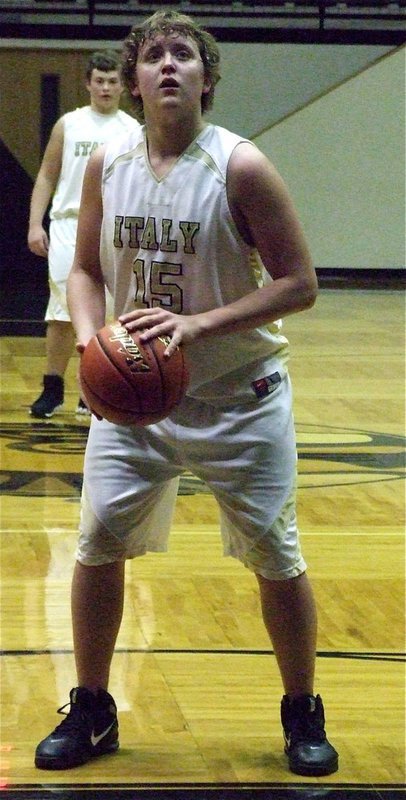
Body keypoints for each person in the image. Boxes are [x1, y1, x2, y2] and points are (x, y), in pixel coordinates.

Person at [34, 10, 339, 777]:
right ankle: (92, 708)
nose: (168, 64)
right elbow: (84, 270)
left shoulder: (241, 166)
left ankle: (301, 708)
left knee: (277, 556)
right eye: (154, 56)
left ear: (207, 79)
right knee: (96, 544)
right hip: (137, 399)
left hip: (239, 394)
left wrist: (198, 325)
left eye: (184, 55)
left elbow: (300, 284)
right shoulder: (107, 163)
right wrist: (92, 342)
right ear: (134, 82)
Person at [27, 50, 140, 418]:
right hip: (67, 223)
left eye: (112, 81)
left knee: (107, 313)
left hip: (110, 227)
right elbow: (47, 175)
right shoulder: (69, 124)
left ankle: (92, 389)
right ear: (88, 84)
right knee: (61, 310)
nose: (105, 87)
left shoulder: (132, 130)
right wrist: (35, 224)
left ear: (123, 86)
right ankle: (52, 388)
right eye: (99, 81)